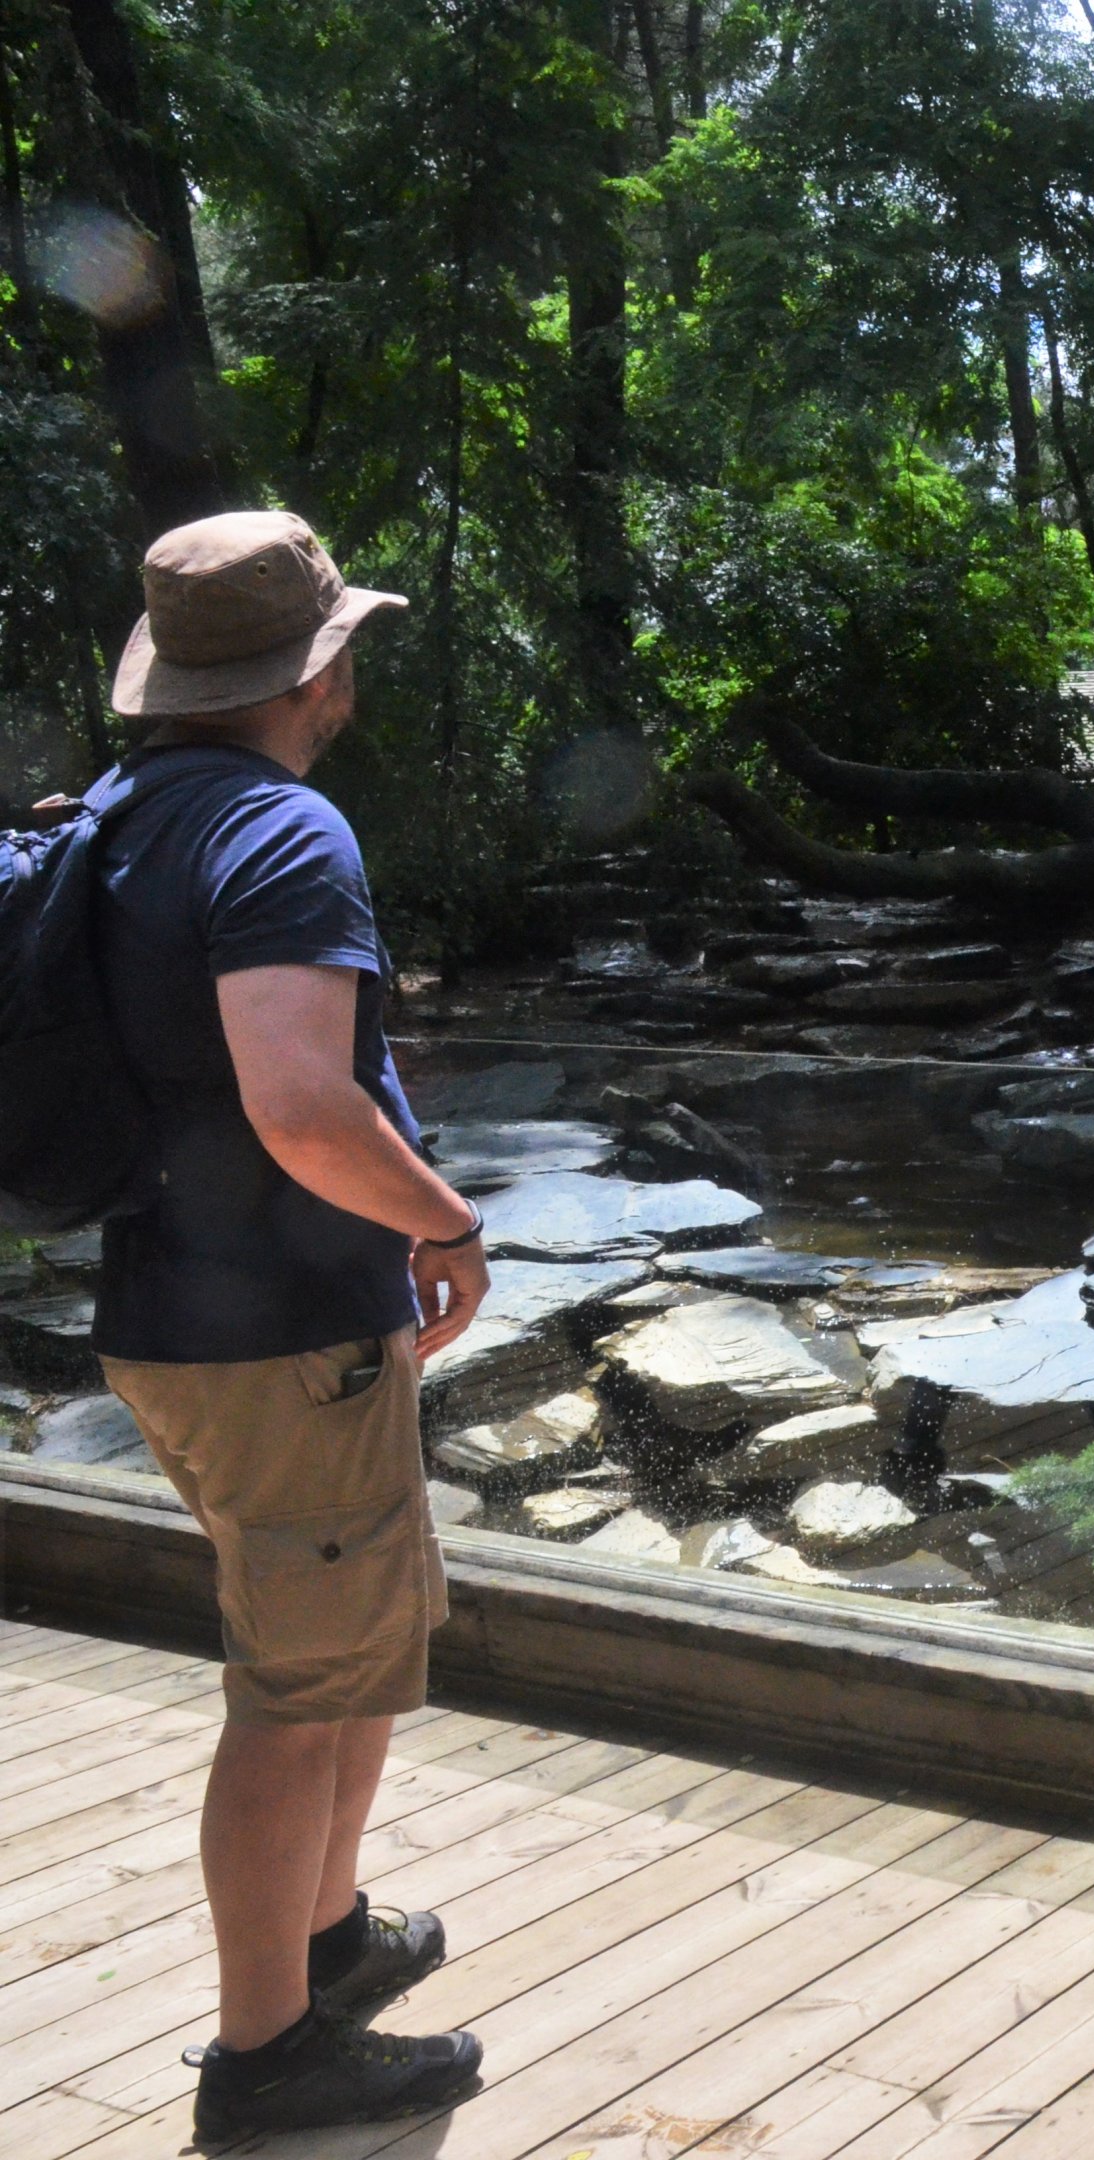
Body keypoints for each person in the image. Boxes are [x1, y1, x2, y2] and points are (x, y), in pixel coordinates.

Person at [86, 511, 492, 2138]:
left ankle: (324, 1942)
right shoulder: (276, 834)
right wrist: (444, 1224)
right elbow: (304, 1105)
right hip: (282, 1339)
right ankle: (270, 2056)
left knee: (337, 1659)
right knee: (291, 1687)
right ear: (311, 665)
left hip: (174, 1315)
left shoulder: (118, 816)